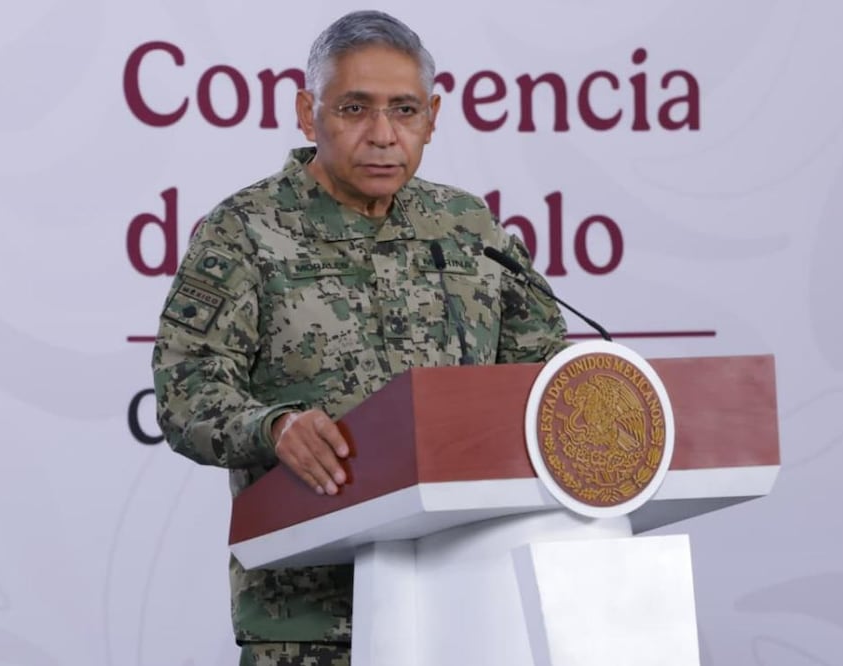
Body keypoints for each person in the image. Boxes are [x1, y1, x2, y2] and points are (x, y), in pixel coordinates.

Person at [150, 10, 569, 666]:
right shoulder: (245, 232)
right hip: (314, 619)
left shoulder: (467, 226)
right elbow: (186, 391)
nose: (382, 135)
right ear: (304, 112)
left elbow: (543, 369)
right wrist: (273, 427)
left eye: (404, 110)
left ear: (431, 117)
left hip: (471, 602)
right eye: (354, 108)